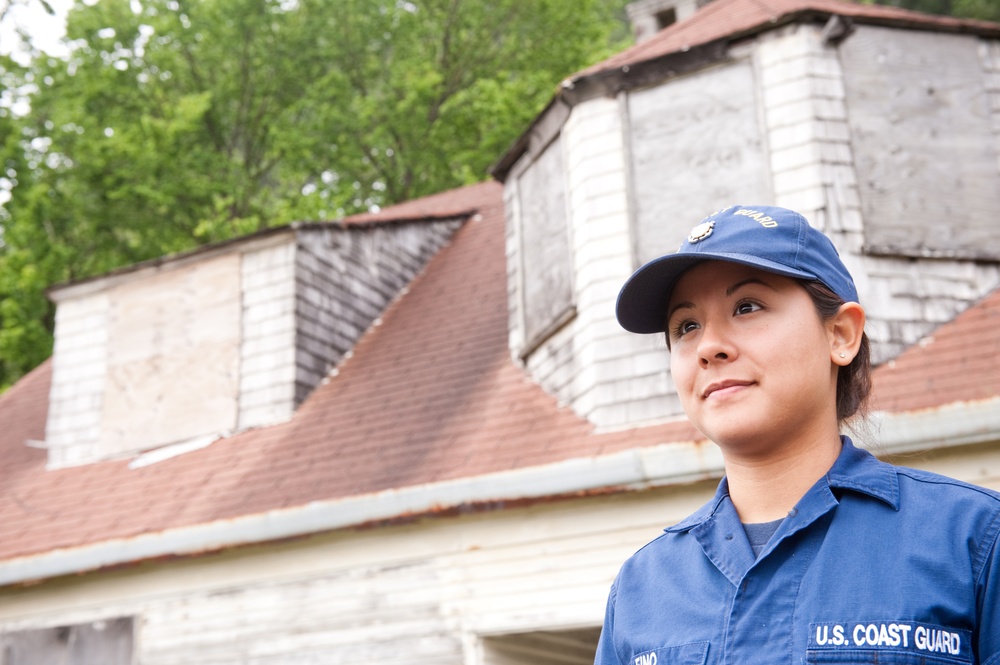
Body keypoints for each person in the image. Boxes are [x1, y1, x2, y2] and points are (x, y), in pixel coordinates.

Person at [595, 205, 1000, 665]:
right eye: (686, 326)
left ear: (841, 335)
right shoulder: (641, 587)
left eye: (747, 307)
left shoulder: (974, 540)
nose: (709, 346)